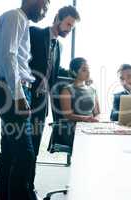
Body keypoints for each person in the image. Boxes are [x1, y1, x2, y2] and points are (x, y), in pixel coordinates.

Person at [0, 0, 49, 199]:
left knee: (9, 153)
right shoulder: (15, 17)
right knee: (25, 155)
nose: (45, 13)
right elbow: (9, 56)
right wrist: (19, 95)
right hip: (11, 90)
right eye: (45, 6)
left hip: (12, 89)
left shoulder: (20, 20)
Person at [29, 5, 81, 157]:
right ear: (58, 18)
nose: (69, 29)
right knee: (17, 149)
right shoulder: (35, 33)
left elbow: (54, 69)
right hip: (25, 97)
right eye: (68, 24)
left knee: (34, 148)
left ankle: (29, 182)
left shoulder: (59, 46)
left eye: (72, 27)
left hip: (41, 103)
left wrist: (78, 76)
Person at [60, 57, 100, 123]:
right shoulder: (67, 90)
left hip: (91, 126)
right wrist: (86, 119)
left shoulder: (92, 89)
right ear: (74, 72)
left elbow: (97, 113)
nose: (88, 72)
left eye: (88, 69)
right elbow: (67, 115)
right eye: (84, 70)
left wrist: (96, 122)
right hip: (75, 127)